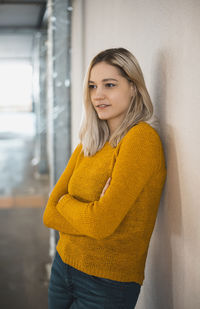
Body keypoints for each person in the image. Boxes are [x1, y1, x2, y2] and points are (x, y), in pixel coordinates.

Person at [43, 47, 167, 309]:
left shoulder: (140, 139)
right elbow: (49, 214)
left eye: (109, 85)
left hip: (106, 284)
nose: (98, 95)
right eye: (92, 86)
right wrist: (90, 213)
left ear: (133, 87)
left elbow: (100, 224)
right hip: (63, 265)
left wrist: (66, 202)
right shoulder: (90, 142)